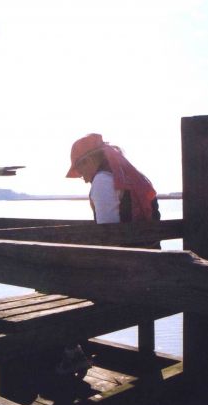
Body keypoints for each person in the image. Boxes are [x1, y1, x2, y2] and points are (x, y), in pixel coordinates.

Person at [55, 133, 161, 378]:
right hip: (147, 269)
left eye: (80, 167)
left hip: (123, 276)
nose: (81, 176)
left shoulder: (103, 182)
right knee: (66, 280)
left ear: (91, 160)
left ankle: (71, 352)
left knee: (57, 283)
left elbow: (107, 237)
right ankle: (73, 348)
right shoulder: (127, 177)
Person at [66, 133, 160, 224]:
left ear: (88, 161)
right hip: (147, 238)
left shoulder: (102, 180)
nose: (86, 181)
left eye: (81, 172)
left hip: (126, 239)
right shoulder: (124, 175)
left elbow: (107, 231)